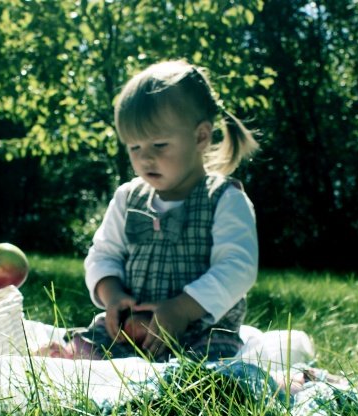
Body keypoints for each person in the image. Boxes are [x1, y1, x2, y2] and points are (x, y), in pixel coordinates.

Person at [77, 59, 260, 361]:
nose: (145, 158)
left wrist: (182, 309)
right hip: (132, 328)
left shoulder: (223, 199)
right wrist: (113, 297)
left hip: (203, 332)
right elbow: (103, 255)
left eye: (159, 145)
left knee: (213, 378)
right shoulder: (128, 198)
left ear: (200, 136)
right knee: (83, 352)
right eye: (134, 148)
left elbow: (237, 267)